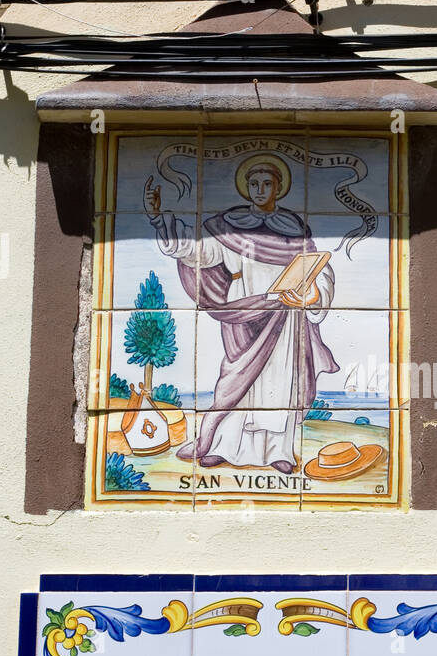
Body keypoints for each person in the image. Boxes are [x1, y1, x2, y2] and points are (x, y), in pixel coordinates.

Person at [144, 154, 338, 471]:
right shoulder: (228, 226)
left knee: (279, 381)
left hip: (285, 313)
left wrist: (314, 291)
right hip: (242, 310)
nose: (260, 189)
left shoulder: (294, 229)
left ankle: (279, 452)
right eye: (254, 183)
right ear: (246, 188)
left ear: (278, 188)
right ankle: (224, 445)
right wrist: (158, 219)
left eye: (267, 183)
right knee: (235, 379)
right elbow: (198, 251)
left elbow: (319, 267)